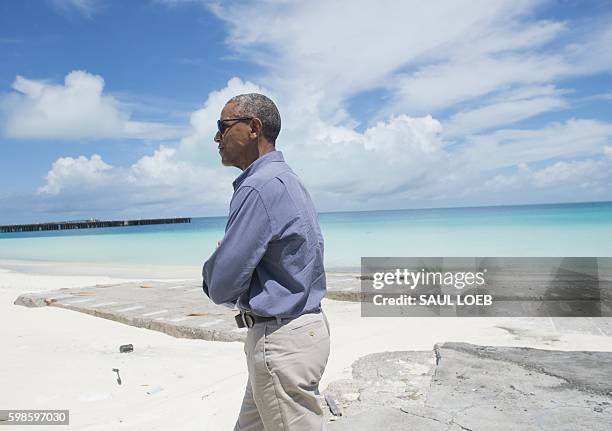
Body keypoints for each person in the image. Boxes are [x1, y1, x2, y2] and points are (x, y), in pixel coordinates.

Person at [202, 93, 330, 430]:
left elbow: (220, 286)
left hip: (281, 341)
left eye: (223, 127)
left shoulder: (258, 187)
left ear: (254, 128)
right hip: (301, 332)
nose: (217, 137)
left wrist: (221, 257)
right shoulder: (286, 180)